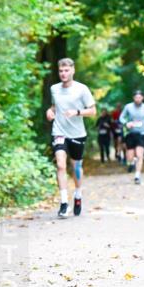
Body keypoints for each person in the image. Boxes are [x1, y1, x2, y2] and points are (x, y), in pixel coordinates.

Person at [46, 58, 95, 217]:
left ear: (73, 70)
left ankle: (78, 194)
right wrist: (50, 111)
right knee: (60, 165)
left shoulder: (82, 89)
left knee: (76, 167)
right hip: (59, 132)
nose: (63, 74)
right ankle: (64, 203)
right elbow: (54, 106)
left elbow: (92, 111)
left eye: (66, 70)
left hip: (77, 134)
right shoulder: (54, 89)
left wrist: (77, 112)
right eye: (61, 71)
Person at [119, 90, 144, 185]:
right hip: (130, 133)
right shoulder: (128, 107)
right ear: (133, 98)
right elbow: (121, 118)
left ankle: (137, 176)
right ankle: (132, 162)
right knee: (130, 156)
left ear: (142, 98)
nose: (138, 99)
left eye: (139, 97)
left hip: (141, 133)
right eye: (136, 97)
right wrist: (126, 123)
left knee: (140, 155)